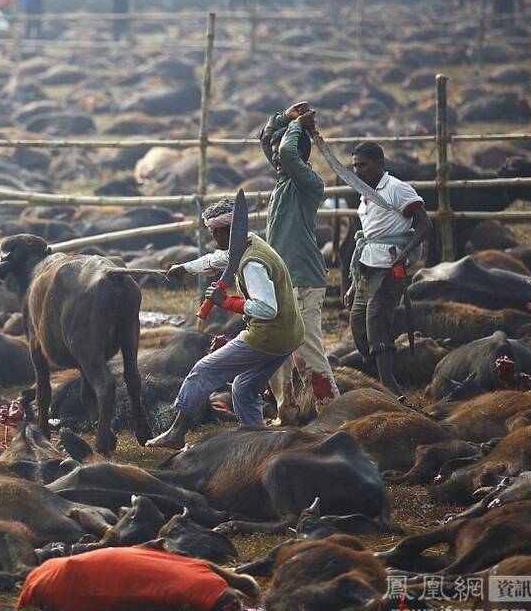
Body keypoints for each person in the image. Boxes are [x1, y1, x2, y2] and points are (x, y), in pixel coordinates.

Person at [148, 196, 305, 449]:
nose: (213, 239)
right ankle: (257, 442)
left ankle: (176, 432)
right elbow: (216, 259)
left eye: (214, 233)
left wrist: (226, 302)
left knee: (203, 370)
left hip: (268, 335)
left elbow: (267, 309)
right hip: (289, 335)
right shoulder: (250, 243)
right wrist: (184, 267)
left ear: (225, 232)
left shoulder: (252, 262)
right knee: (243, 387)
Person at [259, 102, 339, 422]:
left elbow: (289, 153)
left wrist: (295, 128)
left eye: (282, 150)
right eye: (275, 151)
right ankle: (287, 411)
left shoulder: (308, 183)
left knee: (307, 349)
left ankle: (332, 413)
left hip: (304, 278)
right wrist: (286, 118)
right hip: (283, 279)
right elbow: (267, 140)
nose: (276, 155)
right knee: (278, 347)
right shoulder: (284, 181)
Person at [344, 142, 432, 396]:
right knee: (358, 325)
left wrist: (404, 253)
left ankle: (389, 386)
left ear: (379, 164)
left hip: (388, 266)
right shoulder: (364, 194)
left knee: (377, 323)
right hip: (366, 268)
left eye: (363, 165)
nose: (357, 170)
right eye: (354, 166)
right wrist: (352, 284)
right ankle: (384, 376)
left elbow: (425, 224)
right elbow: (366, 239)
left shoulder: (396, 189)